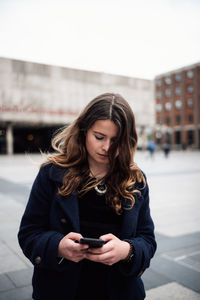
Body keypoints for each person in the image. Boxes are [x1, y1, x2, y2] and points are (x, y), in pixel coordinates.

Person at [18, 93, 156, 300]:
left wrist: (126, 250)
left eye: (116, 141)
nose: (107, 147)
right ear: (84, 131)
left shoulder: (135, 179)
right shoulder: (51, 173)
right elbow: (29, 233)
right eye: (99, 137)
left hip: (118, 292)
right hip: (60, 290)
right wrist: (57, 246)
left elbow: (147, 240)